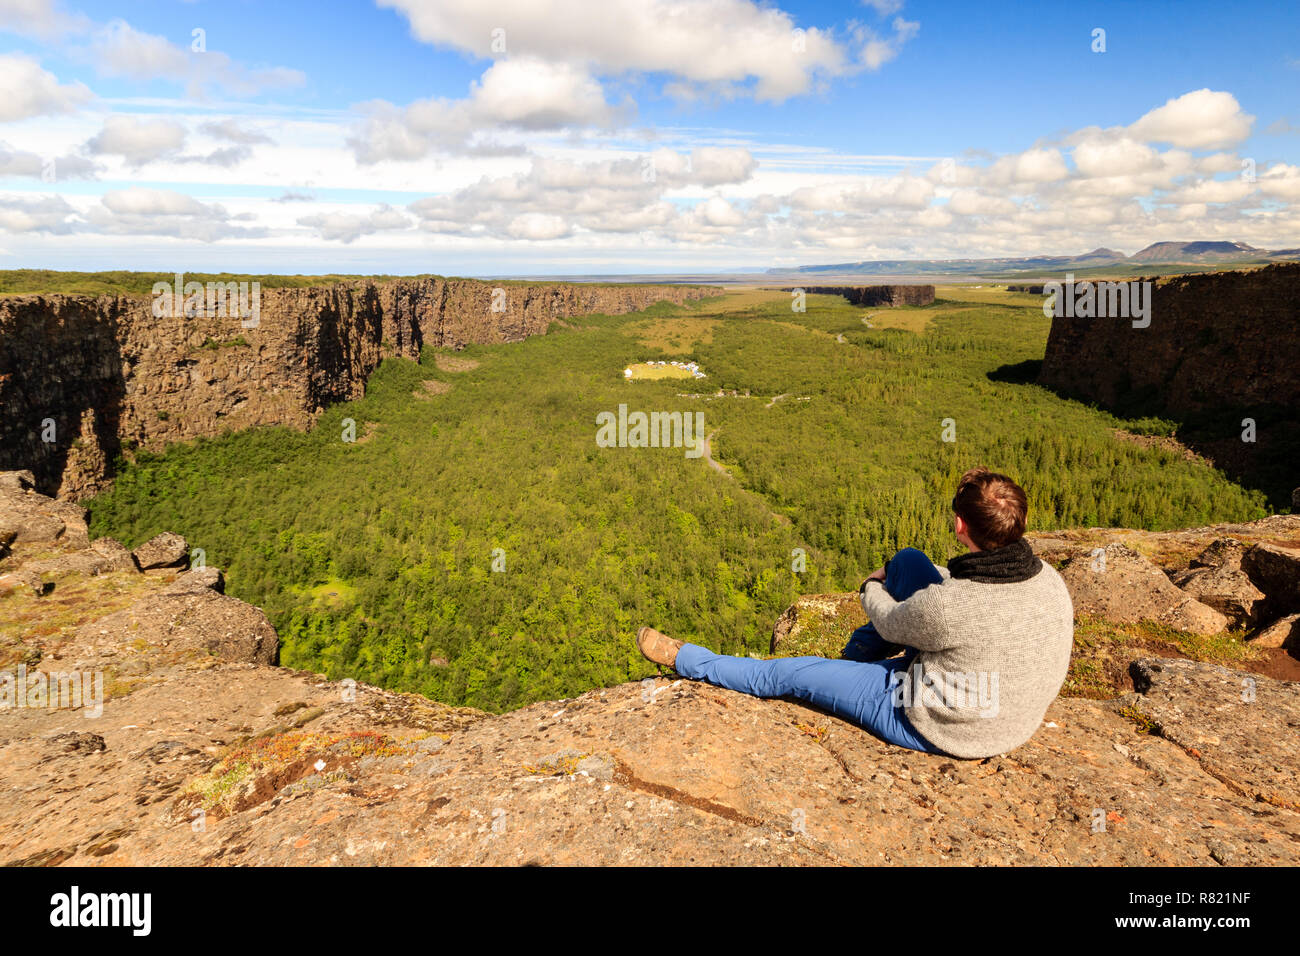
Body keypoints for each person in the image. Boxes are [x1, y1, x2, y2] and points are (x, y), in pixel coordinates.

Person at [635, 467, 1075, 759]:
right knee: (908, 561)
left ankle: (688, 659)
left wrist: (870, 586)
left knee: (790, 676)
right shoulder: (1048, 579)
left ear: (961, 525)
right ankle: (852, 667)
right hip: (1010, 718)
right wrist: (906, 573)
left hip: (935, 721)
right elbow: (963, 604)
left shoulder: (951, 605)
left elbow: (890, 620)